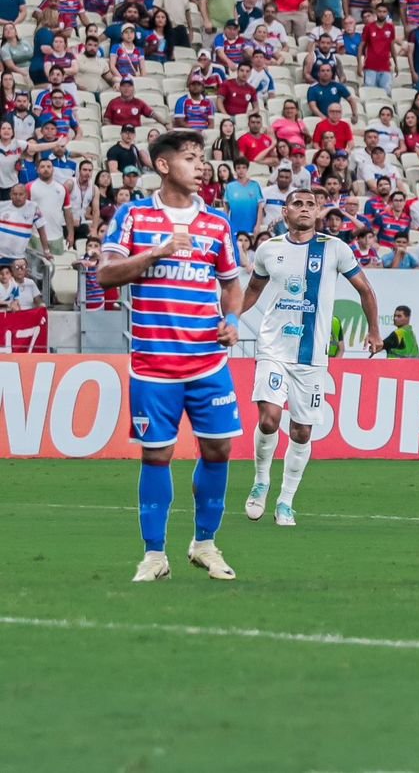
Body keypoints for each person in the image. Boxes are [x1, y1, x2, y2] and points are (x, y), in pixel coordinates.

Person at [98, 130, 244, 583]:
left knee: (219, 447)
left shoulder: (217, 223)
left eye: (202, 159)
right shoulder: (134, 215)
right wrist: (156, 252)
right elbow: (105, 273)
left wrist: (233, 321)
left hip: (208, 360)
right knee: (157, 456)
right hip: (154, 365)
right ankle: (154, 555)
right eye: (190, 158)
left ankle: (204, 543)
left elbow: (231, 283)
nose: (201, 166)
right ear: (163, 165)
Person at [240, 188, 382, 527]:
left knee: (302, 431)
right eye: (296, 204)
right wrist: (227, 320)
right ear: (285, 212)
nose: (304, 209)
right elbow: (253, 290)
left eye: (310, 204)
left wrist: (374, 330)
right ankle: (261, 481)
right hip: (273, 348)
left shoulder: (335, 249)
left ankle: (285, 501)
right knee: (269, 419)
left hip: (312, 356)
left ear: (318, 211)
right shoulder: (269, 249)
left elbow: (365, 289)